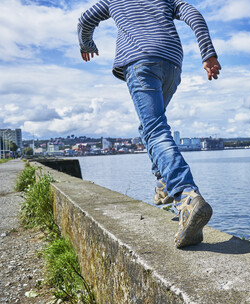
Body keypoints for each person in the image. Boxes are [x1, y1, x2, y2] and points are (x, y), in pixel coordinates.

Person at [78, 0, 221, 248]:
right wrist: (207, 52)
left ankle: (186, 195)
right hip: (171, 64)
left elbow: (85, 19)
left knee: (155, 129)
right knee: (149, 127)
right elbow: (194, 15)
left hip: (140, 61)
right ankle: (164, 182)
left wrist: (87, 43)